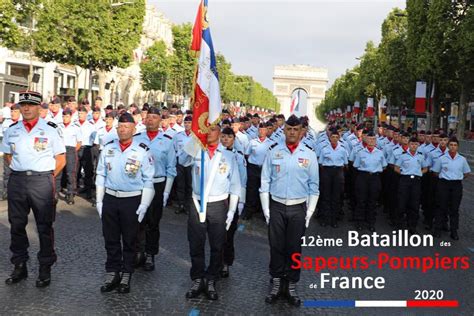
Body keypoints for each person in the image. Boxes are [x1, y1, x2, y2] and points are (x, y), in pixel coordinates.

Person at [2, 91, 66, 287]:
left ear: (39, 107)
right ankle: (19, 265)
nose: (27, 108)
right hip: (18, 181)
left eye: (31, 105)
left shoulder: (51, 129)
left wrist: (45, 176)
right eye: (23, 105)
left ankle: (45, 267)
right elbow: (7, 155)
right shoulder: (12, 129)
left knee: (44, 226)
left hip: (42, 181)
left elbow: (61, 159)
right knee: (17, 225)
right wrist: (22, 171)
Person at [260, 115, 319, 306]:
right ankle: (276, 283)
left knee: (294, 248)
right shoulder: (273, 151)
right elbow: (265, 181)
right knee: (276, 246)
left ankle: (291, 285)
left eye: (296, 129)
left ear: (301, 131)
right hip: (276, 205)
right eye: (289, 129)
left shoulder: (309, 154)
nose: (292, 132)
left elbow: (314, 186)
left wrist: (309, 213)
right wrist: (266, 210)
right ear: (283, 130)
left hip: (298, 207)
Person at [95, 112, 155, 294]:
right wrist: (99, 200)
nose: (123, 130)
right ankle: (112, 272)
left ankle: (127, 273)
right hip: (111, 199)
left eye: (127, 127)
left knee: (130, 240)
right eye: (120, 126)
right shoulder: (108, 148)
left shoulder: (142, 150)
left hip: (132, 199)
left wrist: (144, 205)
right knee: (111, 239)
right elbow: (101, 174)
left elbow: (148, 180)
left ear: (134, 129)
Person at [179, 124, 240, 301]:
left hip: (218, 204)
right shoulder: (197, 150)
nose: (209, 132)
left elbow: (235, 185)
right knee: (196, 243)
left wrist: (231, 211)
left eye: (213, 129)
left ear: (220, 133)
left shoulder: (229, 156)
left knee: (217, 245)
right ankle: (197, 278)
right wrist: (194, 141)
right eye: (207, 129)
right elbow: (182, 161)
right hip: (197, 202)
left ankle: (211, 278)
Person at [133, 107, 176, 271]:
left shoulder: (167, 140)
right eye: (148, 117)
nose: (150, 120)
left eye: (154, 117)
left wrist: (166, 192)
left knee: (153, 221)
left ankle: (150, 254)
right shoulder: (136, 138)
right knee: (138, 220)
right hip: (139, 184)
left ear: (160, 120)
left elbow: (171, 168)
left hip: (157, 183)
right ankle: (138, 252)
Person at [219, 127, 247, 278]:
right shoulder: (216, 154)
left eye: (229, 137)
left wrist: (241, 201)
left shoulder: (238, 157)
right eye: (223, 137)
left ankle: (226, 262)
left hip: (232, 196)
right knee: (216, 232)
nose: (225, 140)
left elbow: (243, 181)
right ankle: (216, 260)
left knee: (229, 233)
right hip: (218, 196)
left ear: (234, 139)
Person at [431, 137, 471, 240]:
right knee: (441, 207)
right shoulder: (442, 158)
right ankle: (438, 229)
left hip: (456, 185)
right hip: (443, 184)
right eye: (451, 145)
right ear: (448, 146)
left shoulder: (462, 159)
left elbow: (466, 173)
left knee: (454, 209)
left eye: (455, 145)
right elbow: (436, 171)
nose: (453, 147)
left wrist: (457, 178)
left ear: (457, 147)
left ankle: (454, 231)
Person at [353, 131, 387, 232]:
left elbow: (384, 166)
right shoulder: (360, 152)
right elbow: (356, 165)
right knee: (361, 201)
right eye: (370, 139)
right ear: (366, 140)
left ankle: (371, 222)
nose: (372, 141)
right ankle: (360, 222)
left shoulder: (380, 153)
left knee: (372, 202)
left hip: (375, 178)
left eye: (374, 139)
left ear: (376, 141)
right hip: (363, 177)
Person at [394, 137, 429, 233]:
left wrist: (420, 173)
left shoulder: (421, 156)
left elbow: (425, 168)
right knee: (401, 203)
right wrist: (404, 173)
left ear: (418, 145)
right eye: (412, 144)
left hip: (416, 181)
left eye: (416, 144)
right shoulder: (403, 156)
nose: (414, 146)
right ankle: (399, 225)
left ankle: (412, 226)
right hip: (405, 180)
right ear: (409, 145)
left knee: (414, 204)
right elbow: (396, 168)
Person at [243, 122, 275, 220]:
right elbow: (247, 154)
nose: (261, 132)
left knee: (264, 189)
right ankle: (249, 211)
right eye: (260, 130)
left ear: (267, 131)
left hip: (265, 169)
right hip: (253, 168)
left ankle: (263, 212)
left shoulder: (271, 143)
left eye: (263, 130)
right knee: (251, 190)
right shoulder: (252, 142)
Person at [318, 128, 348, 228]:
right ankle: (325, 219)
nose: (334, 139)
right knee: (326, 196)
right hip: (327, 172)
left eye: (336, 137)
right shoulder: (324, 149)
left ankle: (334, 219)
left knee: (336, 197)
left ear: (339, 138)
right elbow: (321, 163)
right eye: (332, 137)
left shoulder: (343, 149)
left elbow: (345, 163)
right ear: (329, 138)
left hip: (338, 172)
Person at [57, 108, 82, 205]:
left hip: (71, 150)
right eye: (63, 116)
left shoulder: (75, 127)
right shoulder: (58, 126)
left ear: (70, 117)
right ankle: (56, 192)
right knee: (58, 172)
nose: (65, 118)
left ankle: (70, 193)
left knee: (70, 173)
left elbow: (79, 142)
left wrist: (72, 151)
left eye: (67, 116)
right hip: (60, 150)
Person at [173, 115, 193, 214]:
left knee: (190, 185)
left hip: (191, 164)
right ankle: (180, 204)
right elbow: (174, 149)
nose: (187, 125)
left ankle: (188, 206)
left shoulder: (196, 136)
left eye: (189, 123)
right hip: (180, 163)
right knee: (180, 185)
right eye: (185, 123)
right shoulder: (178, 135)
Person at [1, 103, 22, 200]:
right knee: (7, 172)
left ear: (20, 112)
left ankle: (18, 191)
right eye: (12, 111)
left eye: (15, 111)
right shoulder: (6, 123)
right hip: (8, 151)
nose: (13, 113)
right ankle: (6, 191)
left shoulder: (23, 122)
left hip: (19, 153)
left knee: (19, 173)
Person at [77, 106, 95, 200]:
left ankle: (88, 191)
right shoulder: (74, 124)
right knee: (75, 170)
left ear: (86, 115)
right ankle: (76, 189)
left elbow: (93, 138)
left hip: (86, 149)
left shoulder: (91, 125)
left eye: (82, 113)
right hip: (76, 149)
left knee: (88, 171)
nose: (80, 115)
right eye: (79, 113)